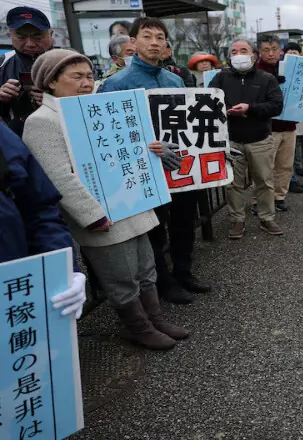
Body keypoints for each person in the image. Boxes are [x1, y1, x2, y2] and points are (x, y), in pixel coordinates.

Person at [23, 49, 188, 350]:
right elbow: (57, 176)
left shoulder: (96, 107)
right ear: (51, 82)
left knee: (146, 266)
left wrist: (153, 148)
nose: (86, 82)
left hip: (129, 202)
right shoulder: (42, 121)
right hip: (102, 213)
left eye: (89, 75)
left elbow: (129, 146)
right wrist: (91, 215)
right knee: (121, 276)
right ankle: (138, 327)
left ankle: (155, 317)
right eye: (76, 77)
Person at [99, 17, 208, 304]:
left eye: (160, 37)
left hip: (179, 164)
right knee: (154, 226)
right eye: (147, 36)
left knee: (185, 220)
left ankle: (184, 271)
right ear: (132, 42)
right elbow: (110, 133)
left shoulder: (174, 79)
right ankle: (162, 280)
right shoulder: (115, 84)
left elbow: (189, 124)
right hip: (144, 167)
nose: (155, 42)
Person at [1, 121, 86, 320]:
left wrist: (64, 270)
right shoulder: (40, 122)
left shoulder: (4, 140)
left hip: (12, 293)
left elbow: (39, 208)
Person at [208, 38, 284, 239]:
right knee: (234, 184)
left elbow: (276, 106)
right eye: (234, 51)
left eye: (244, 50)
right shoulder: (220, 78)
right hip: (232, 140)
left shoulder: (267, 78)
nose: (239, 54)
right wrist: (226, 111)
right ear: (229, 56)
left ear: (253, 55)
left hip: (260, 140)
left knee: (265, 182)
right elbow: (207, 104)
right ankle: (237, 220)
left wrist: (251, 109)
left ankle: (267, 217)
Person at [256, 37, 301, 212]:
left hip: (289, 125)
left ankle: (279, 196)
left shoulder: (290, 68)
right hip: (266, 128)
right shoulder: (255, 71)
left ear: (281, 50)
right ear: (259, 52)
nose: (271, 53)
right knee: (264, 167)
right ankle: (258, 200)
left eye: (274, 49)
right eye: (266, 49)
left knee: (285, 164)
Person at [0, 6, 54, 136]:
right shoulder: (2, 64)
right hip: (15, 144)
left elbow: (88, 103)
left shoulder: (72, 63)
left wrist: (54, 101)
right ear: (10, 35)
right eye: (21, 37)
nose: (30, 43)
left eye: (37, 37)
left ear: (50, 34)